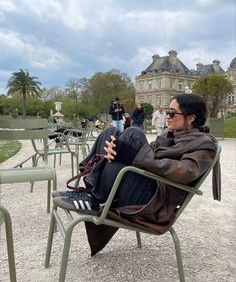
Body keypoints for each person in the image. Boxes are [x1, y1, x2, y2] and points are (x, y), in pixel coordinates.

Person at [53, 94, 221, 254]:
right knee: (110, 133)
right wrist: (121, 150)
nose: (167, 116)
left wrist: (133, 156)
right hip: (147, 185)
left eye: (172, 112)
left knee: (133, 133)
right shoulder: (170, 136)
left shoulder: (204, 144)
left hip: (154, 202)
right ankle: (92, 193)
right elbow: (147, 151)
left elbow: (185, 171)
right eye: (167, 112)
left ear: (190, 118)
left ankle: (95, 198)